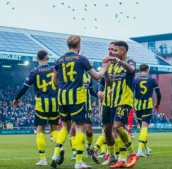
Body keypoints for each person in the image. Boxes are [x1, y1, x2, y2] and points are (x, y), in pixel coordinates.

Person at [50, 35, 110, 169]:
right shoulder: (82, 59)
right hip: (77, 97)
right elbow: (96, 76)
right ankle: (78, 162)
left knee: (65, 127)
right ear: (79, 45)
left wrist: (66, 83)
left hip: (62, 96)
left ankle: (55, 155)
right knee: (79, 128)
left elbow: (54, 81)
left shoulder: (59, 60)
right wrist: (105, 67)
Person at [13, 50, 59, 166]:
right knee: (54, 129)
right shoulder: (54, 70)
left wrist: (17, 98)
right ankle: (59, 150)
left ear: (37, 58)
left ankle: (43, 159)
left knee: (40, 130)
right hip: (55, 102)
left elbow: (24, 87)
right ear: (47, 58)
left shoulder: (34, 72)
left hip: (41, 104)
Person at [105, 41, 138, 168]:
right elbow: (109, 84)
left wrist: (118, 61)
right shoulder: (113, 65)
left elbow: (132, 69)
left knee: (117, 126)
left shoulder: (130, 61)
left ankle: (132, 153)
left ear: (123, 51)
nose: (113, 53)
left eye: (116, 51)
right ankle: (122, 158)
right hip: (114, 101)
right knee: (117, 129)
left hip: (125, 100)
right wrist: (107, 71)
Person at [92, 41, 120, 165]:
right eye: (109, 49)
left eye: (113, 49)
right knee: (107, 130)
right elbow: (102, 83)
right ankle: (112, 155)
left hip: (119, 101)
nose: (110, 51)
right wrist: (99, 92)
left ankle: (121, 155)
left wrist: (115, 89)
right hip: (107, 103)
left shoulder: (123, 64)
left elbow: (126, 82)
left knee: (117, 129)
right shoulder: (107, 64)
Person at [133, 64, 161, 157]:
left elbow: (132, 92)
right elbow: (158, 93)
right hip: (147, 105)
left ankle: (146, 148)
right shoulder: (152, 79)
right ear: (147, 70)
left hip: (137, 106)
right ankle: (140, 150)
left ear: (139, 70)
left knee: (142, 129)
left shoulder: (135, 80)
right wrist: (157, 103)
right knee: (144, 128)